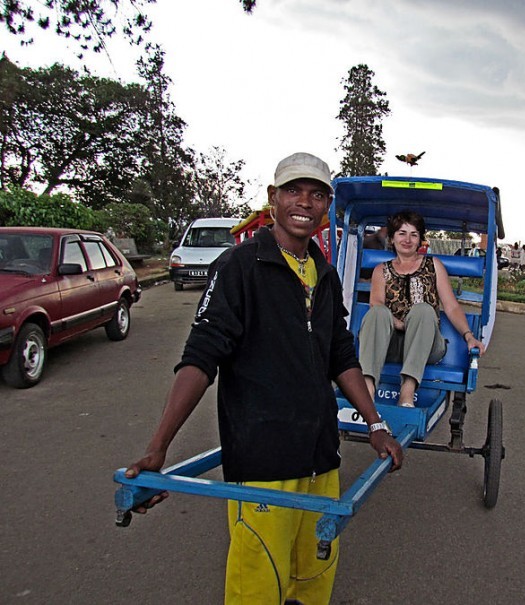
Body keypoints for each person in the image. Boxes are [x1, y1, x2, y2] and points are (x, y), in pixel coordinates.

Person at [124, 152, 403, 605]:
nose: (305, 203)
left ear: (327, 206)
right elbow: (201, 358)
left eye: (317, 195)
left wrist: (375, 425)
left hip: (321, 457)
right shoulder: (239, 267)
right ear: (273, 197)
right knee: (258, 584)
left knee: (313, 579)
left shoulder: (324, 274)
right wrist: (159, 447)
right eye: (293, 191)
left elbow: (340, 355)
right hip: (263, 463)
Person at [358, 210, 485, 407]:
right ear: (392, 238)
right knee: (377, 312)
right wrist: (399, 324)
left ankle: (407, 393)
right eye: (402, 233)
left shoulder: (434, 265)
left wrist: (468, 336)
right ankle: (367, 390)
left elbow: (451, 306)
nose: (407, 240)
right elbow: (376, 303)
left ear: (420, 240)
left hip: (427, 343)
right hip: (391, 343)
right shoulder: (381, 270)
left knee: (423, 310)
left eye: (413, 234)